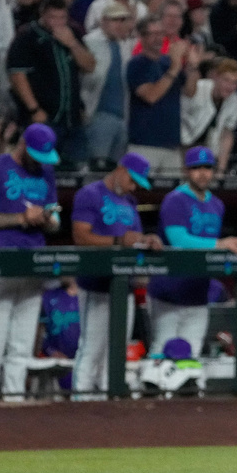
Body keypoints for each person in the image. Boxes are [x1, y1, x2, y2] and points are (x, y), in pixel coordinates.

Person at [0, 123, 61, 400]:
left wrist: (44, 219)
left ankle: (13, 399)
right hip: (0, 260)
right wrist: (22, 219)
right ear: (23, 145)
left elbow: (56, 223)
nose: (41, 162)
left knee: (22, 343)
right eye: (36, 155)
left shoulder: (46, 171)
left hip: (33, 261)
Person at [71, 152, 163, 398]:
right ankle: (80, 402)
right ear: (121, 170)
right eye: (132, 181)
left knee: (116, 351)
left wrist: (147, 240)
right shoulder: (90, 194)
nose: (134, 187)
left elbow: (134, 239)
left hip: (125, 286)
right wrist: (119, 240)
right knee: (92, 349)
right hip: (95, 284)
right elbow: (81, 237)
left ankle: (105, 406)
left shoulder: (130, 203)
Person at [147, 146, 237, 358]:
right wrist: (219, 245)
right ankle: (154, 390)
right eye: (196, 168)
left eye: (207, 168)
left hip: (198, 292)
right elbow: (178, 241)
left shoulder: (217, 205)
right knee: (162, 351)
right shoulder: (175, 200)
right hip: (167, 291)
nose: (202, 173)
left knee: (192, 354)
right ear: (186, 171)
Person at [7, 0, 95, 166]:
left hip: (72, 120)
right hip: (45, 119)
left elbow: (89, 65)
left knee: (76, 170)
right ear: (43, 14)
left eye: (62, 17)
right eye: (53, 17)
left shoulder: (73, 34)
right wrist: (34, 110)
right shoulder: (27, 37)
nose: (58, 22)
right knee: (41, 169)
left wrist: (72, 44)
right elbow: (17, 76)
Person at [126, 15, 197, 174]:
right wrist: (175, 66)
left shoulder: (167, 62)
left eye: (160, 33)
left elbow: (190, 91)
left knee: (171, 194)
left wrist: (192, 67)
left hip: (171, 144)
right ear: (142, 37)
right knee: (140, 192)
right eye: (153, 34)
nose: (158, 38)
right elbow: (151, 96)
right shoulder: (137, 64)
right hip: (145, 144)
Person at [81, 1, 135, 164]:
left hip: (121, 116)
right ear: (103, 21)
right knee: (98, 166)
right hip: (98, 114)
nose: (119, 25)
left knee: (116, 169)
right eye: (115, 20)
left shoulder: (125, 46)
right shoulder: (89, 42)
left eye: (123, 21)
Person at [179, 56, 237, 175]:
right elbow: (188, 93)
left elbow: (227, 134)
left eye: (235, 83)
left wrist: (221, 170)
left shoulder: (234, 99)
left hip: (208, 151)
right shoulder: (199, 88)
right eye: (226, 80)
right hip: (182, 147)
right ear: (216, 77)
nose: (230, 87)